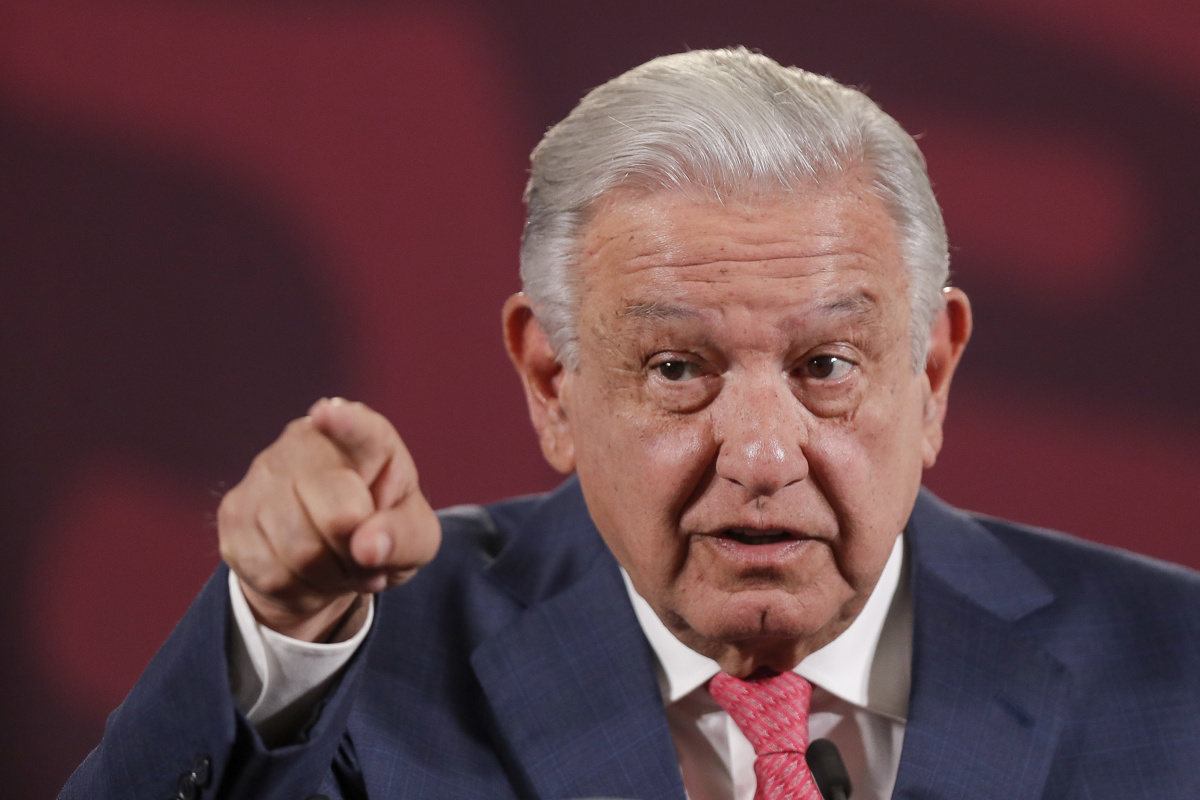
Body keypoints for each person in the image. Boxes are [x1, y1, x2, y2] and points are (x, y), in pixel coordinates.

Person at [62, 47, 1200, 800]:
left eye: (825, 364)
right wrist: (281, 626)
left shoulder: (1179, 672)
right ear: (553, 380)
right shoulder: (361, 665)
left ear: (933, 370)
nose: (761, 454)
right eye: (674, 366)